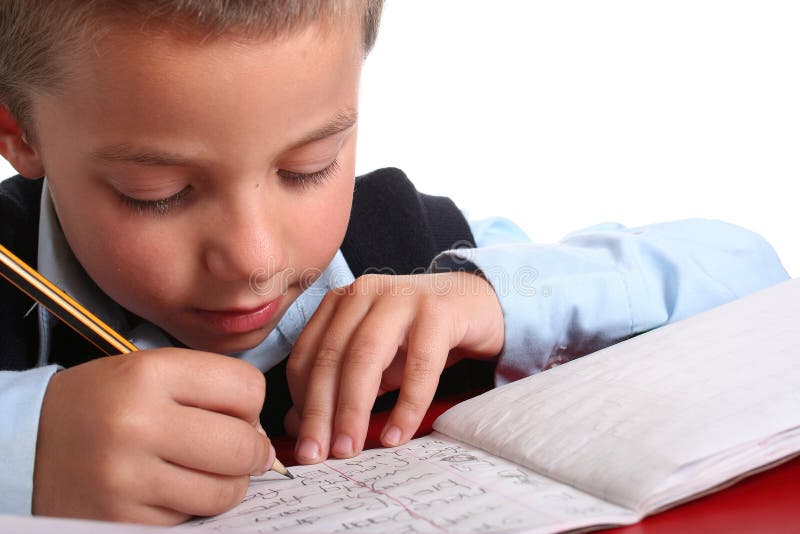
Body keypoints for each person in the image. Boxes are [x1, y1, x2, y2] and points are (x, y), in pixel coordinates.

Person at [0, 0, 788, 526]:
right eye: (158, 191)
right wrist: (24, 448)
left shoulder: (414, 246)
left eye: (309, 167)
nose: (254, 259)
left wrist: (498, 301)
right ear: (20, 134)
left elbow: (753, 282)